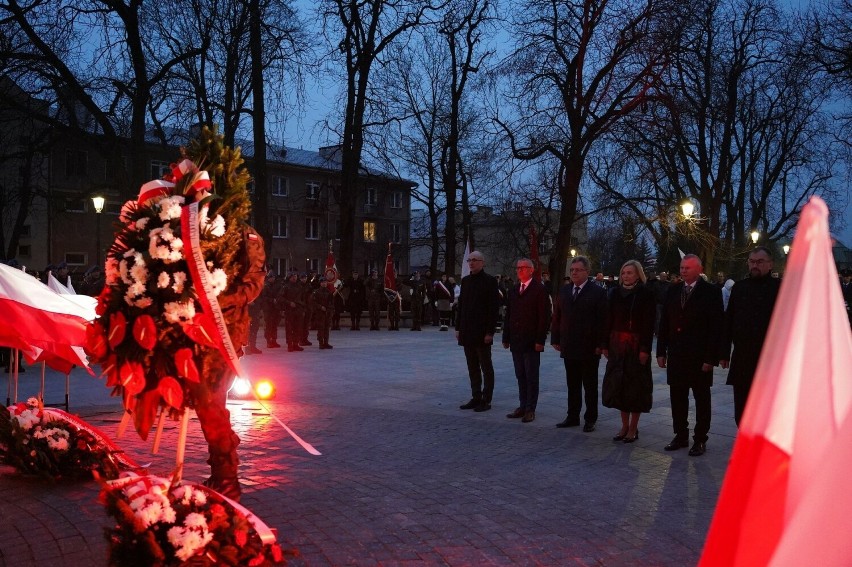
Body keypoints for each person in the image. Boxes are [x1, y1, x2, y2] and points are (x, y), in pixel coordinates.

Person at [193, 224, 266, 501]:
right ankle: (222, 466)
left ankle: (226, 477)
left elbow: (253, 282)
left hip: (225, 331)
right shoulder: (193, 226)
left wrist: (220, 297)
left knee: (211, 401)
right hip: (194, 326)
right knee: (206, 403)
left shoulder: (246, 235)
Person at [657, 254, 724, 456]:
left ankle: (700, 438)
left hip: (699, 356)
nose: (683, 270)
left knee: (701, 398)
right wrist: (661, 350)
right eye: (682, 267)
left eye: (687, 267)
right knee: (677, 397)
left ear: (698, 269)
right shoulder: (673, 290)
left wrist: (711, 357)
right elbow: (665, 323)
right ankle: (680, 434)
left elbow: (716, 326)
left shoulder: (711, 292)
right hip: (677, 354)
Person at [719, 247, 781, 425]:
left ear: (770, 264)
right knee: (742, 407)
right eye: (752, 261)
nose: (755, 265)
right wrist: (724, 352)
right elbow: (729, 320)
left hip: (770, 359)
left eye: (760, 262)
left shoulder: (781, 288)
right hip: (743, 356)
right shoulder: (739, 287)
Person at [551, 256, 608, 432]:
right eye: (572, 270)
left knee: (589, 385)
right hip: (569, 344)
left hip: (589, 346)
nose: (574, 273)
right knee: (572, 384)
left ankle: (590, 418)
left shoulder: (597, 292)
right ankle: (572, 416)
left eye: (578, 270)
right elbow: (557, 316)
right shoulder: (565, 291)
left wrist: (601, 343)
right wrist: (555, 338)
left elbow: (603, 321)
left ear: (587, 272)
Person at [601, 260, 656, 443]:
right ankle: (624, 425)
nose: (626, 276)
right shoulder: (614, 293)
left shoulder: (645, 294)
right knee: (619, 386)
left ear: (638, 274)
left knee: (635, 388)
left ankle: (633, 427)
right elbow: (607, 319)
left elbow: (649, 324)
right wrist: (605, 345)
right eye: (623, 272)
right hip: (617, 345)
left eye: (630, 273)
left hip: (636, 346)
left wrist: (645, 349)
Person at [502, 258, 550, 423]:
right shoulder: (514, 290)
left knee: (531, 375)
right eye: (518, 268)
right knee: (520, 374)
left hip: (531, 340)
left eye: (523, 267)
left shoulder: (539, 290)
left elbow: (544, 317)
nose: (520, 270)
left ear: (531, 270)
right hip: (516, 340)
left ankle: (530, 408)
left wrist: (540, 339)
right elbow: (509, 315)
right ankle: (522, 405)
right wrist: (506, 336)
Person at [456, 251, 500, 412]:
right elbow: (461, 306)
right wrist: (458, 327)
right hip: (467, 331)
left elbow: (493, 309)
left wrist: (490, 332)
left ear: (482, 262)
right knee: (472, 366)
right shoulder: (466, 281)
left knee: (486, 366)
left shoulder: (489, 282)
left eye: (474, 260)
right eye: (469, 260)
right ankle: (476, 396)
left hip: (482, 332)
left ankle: (486, 399)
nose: (471, 263)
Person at [282, 272, 304, 351]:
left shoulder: (300, 287)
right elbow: (280, 298)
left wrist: (302, 307)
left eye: (295, 276)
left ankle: (295, 344)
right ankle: (290, 345)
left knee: (297, 328)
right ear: (289, 278)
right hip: (289, 311)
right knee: (289, 328)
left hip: (298, 310)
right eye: (292, 277)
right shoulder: (286, 287)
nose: (294, 278)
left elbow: (303, 298)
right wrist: (289, 303)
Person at [259, 271, 282, 349]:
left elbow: (280, 294)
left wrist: (277, 300)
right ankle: (269, 341)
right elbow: (264, 297)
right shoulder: (265, 286)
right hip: (268, 309)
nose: (272, 279)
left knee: (274, 325)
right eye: (271, 277)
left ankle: (274, 340)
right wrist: (272, 300)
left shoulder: (277, 285)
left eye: (273, 277)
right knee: (269, 325)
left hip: (275, 308)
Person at [312, 279, 335, 349]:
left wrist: (330, 310)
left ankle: (326, 342)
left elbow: (331, 302)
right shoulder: (316, 292)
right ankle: (321, 343)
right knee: (321, 328)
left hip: (327, 313)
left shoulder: (328, 292)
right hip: (320, 313)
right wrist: (320, 307)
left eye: (325, 282)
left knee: (326, 328)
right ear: (320, 283)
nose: (324, 284)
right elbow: (313, 302)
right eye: (322, 282)